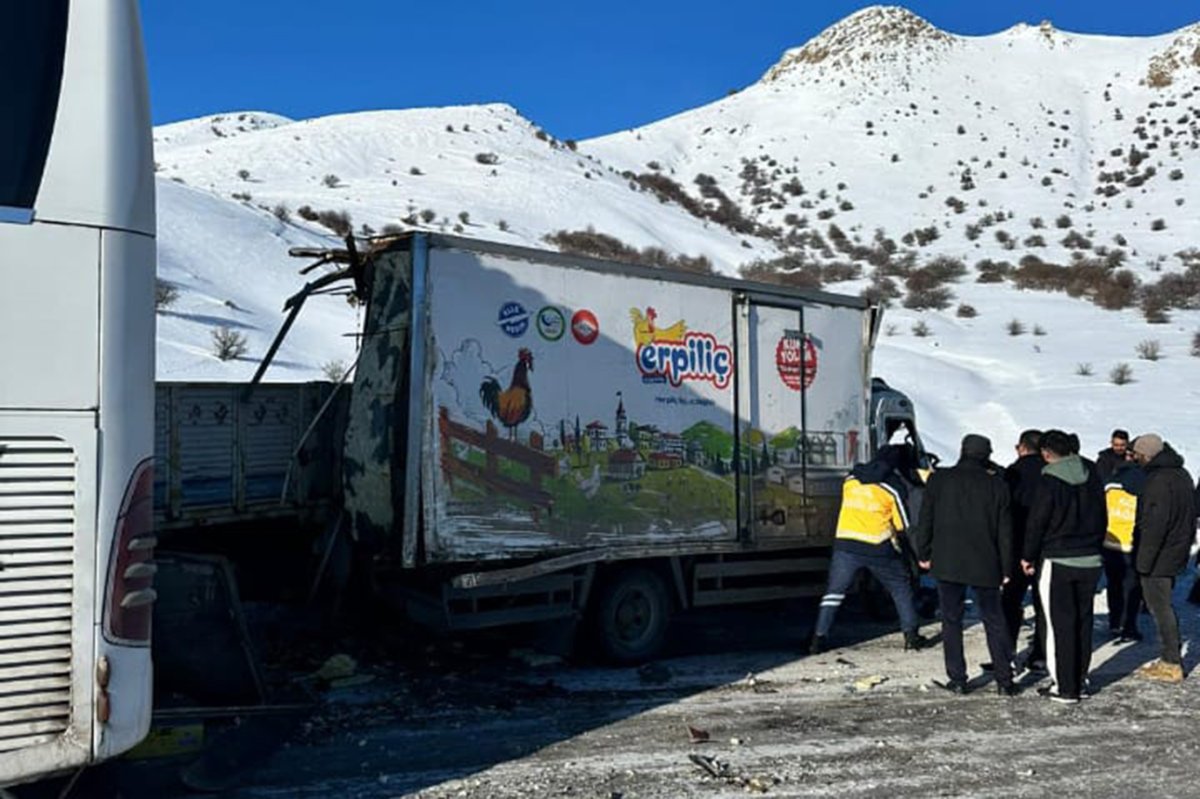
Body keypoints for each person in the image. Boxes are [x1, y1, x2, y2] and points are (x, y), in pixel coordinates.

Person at [913, 434, 1015, 696]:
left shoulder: (939, 479)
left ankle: (958, 679)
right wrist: (1007, 567)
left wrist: (923, 552)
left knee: (951, 620)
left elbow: (926, 519)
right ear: (987, 455)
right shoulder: (997, 486)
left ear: (962, 451)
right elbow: (1005, 532)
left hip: (948, 560)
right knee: (994, 620)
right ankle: (1004, 680)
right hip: (986, 561)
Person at [810, 445, 929, 655]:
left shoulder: (851, 479)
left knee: (834, 593)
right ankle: (911, 636)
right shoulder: (892, 487)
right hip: (878, 546)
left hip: (846, 544)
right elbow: (902, 524)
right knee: (900, 588)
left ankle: (818, 639)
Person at [1021, 430, 1106, 704]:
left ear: (1046, 454)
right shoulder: (1091, 473)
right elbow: (1103, 515)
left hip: (1058, 558)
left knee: (1059, 625)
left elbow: (1037, 521)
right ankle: (1079, 679)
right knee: (1083, 621)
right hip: (1090, 558)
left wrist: (1028, 555)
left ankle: (1064, 686)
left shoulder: (1049, 479)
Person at [1130, 434, 1194, 684]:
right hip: (1175, 549)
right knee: (1163, 604)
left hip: (1159, 554)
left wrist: (1143, 560)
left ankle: (1171, 662)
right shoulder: (1181, 474)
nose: (1135, 459)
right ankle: (1170, 658)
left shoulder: (1158, 480)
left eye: (1137, 455)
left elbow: (1154, 525)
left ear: (1146, 455)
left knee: (1160, 607)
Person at [1002, 429, 1047, 665]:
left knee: (1010, 601)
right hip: (1044, 547)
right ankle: (1040, 652)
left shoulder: (1012, 473)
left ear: (1021, 447)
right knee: (1043, 604)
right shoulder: (1050, 472)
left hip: (1016, 546)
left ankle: (1005, 652)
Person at [1103, 451, 1145, 642]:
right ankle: (1129, 626)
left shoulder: (1110, 483)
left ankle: (1114, 622)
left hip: (1111, 540)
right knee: (1132, 586)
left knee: (1114, 584)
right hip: (1133, 542)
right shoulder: (1145, 482)